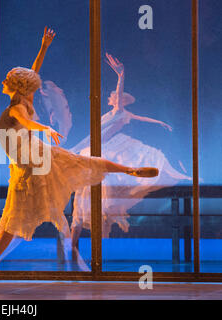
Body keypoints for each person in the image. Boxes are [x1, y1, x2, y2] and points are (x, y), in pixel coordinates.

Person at [0, 27, 159, 292]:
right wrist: (43, 49)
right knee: (14, 219)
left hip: (38, 157)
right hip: (27, 166)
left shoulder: (21, 102)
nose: (5, 80)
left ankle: (131, 169)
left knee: (84, 162)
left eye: (13, 79)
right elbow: (29, 99)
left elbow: (29, 95)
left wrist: (44, 48)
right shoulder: (18, 103)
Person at [69, 53, 191, 266]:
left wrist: (121, 74)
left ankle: (82, 244)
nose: (111, 96)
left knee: (93, 197)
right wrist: (160, 122)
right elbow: (139, 118)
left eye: (114, 95)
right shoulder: (116, 113)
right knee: (83, 200)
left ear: (118, 99)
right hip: (93, 151)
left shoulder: (119, 110)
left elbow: (135, 113)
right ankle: (75, 245)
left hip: (101, 152)